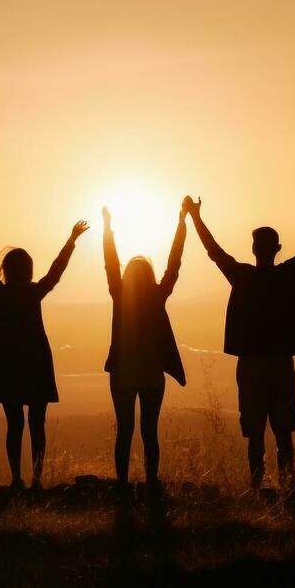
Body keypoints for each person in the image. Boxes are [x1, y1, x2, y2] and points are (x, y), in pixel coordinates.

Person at [185, 183, 295, 491]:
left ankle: (256, 489)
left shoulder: (242, 276)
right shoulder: (287, 274)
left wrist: (195, 217)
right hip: (280, 364)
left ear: (254, 249)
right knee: (283, 433)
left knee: (255, 432)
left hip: (251, 365)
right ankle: (288, 489)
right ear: (277, 248)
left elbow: (213, 251)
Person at [0, 212, 89, 490]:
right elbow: (57, 270)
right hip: (36, 363)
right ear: (28, 270)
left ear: (6, 269)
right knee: (36, 424)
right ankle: (36, 479)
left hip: (7, 365)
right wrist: (72, 239)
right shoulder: (34, 291)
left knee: (14, 424)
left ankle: (17, 478)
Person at [101, 201, 188, 489]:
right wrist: (181, 223)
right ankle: (151, 482)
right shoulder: (157, 295)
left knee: (124, 431)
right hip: (151, 374)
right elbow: (174, 264)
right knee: (149, 431)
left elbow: (110, 262)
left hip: (123, 373)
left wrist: (107, 227)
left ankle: (123, 484)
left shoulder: (119, 294)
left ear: (128, 276)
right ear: (149, 276)